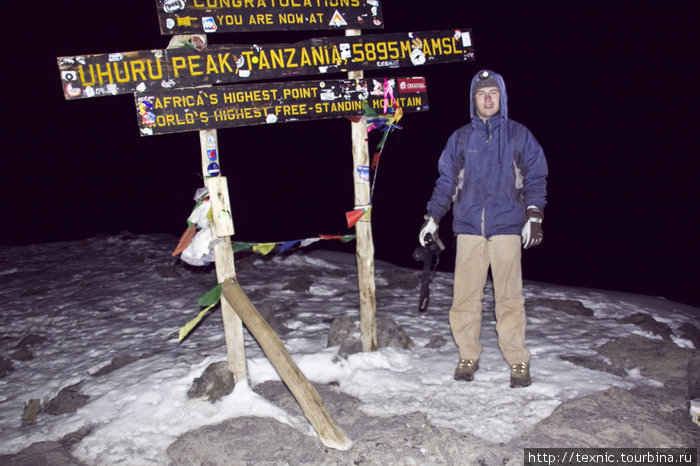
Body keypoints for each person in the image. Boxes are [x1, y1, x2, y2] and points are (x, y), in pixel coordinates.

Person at [419, 69, 548, 388]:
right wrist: (432, 218)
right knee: (464, 297)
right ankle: (467, 354)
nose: (487, 99)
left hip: (507, 227)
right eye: (481, 93)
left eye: (493, 93)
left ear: (501, 98)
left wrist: (534, 215)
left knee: (509, 298)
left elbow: (536, 177)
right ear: (473, 99)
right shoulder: (460, 138)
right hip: (468, 229)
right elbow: (446, 182)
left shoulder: (519, 135)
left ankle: (518, 360)